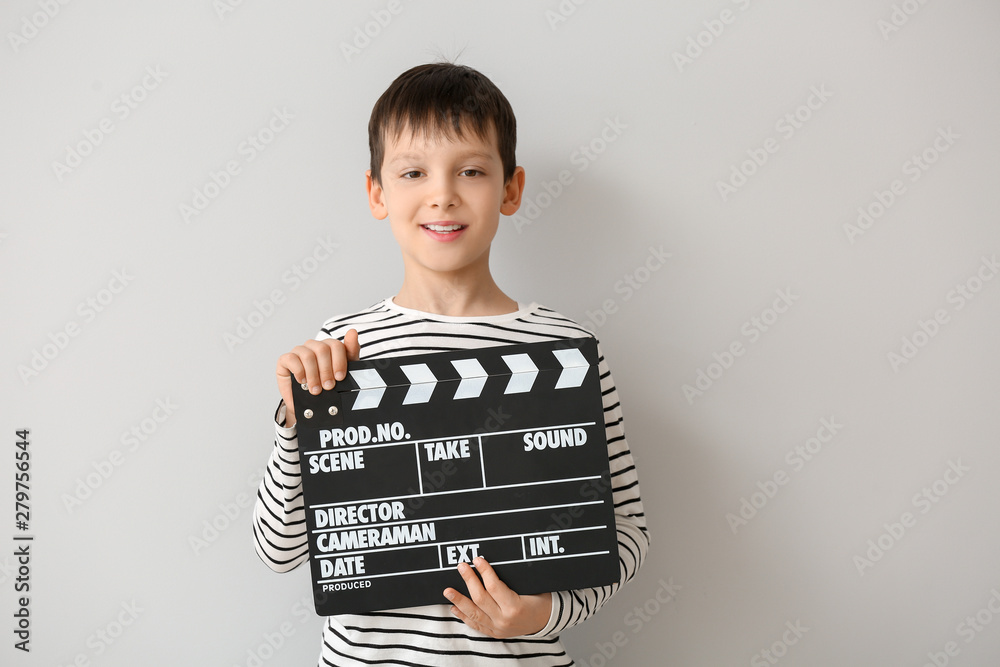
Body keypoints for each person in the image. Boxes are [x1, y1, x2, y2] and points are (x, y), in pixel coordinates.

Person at [252, 62, 648, 666]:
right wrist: (296, 417)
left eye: (471, 170)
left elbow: (623, 538)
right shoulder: (343, 352)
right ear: (377, 193)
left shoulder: (565, 351)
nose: (442, 194)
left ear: (510, 189)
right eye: (413, 172)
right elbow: (278, 549)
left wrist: (544, 615)